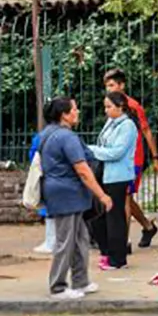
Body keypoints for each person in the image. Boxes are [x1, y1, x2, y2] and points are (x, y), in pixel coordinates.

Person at [40, 97, 111, 300]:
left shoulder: (48, 134)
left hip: (65, 193)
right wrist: (102, 195)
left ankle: (81, 280)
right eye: (74, 109)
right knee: (65, 242)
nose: (77, 112)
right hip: (66, 194)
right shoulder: (66, 137)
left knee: (80, 239)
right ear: (64, 114)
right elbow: (83, 170)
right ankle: (58, 286)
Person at [103, 69, 158, 249]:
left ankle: (123, 242)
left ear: (122, 85)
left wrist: (156, 157)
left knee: (125, 197)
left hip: (134, 159)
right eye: (107, 86)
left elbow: (146, 131)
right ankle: (148, 226)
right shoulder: (111, 105)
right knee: (126, 197)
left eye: (112, 85)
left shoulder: (132, 106)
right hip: (118, 158)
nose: (109, 89)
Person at [88, 92, 138, 271]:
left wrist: (91, 150)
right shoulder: (110, 123)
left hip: (118, 176)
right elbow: (104, 145)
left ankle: (118, 258)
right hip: (103, 172)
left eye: (109, 106)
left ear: (120, 107)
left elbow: (116, 152)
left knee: (114, 216)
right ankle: (107, 250)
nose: (106, 110)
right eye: (105, 106)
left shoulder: (128, 126)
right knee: (97, 214)